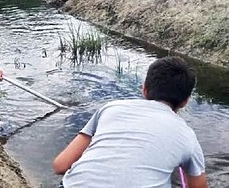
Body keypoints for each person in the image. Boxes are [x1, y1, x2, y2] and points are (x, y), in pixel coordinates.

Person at [53, 56, 208, 188]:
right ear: (185, 101)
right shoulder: (188, 136)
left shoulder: (111, 108)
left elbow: (61, 165)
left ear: (144, 89)